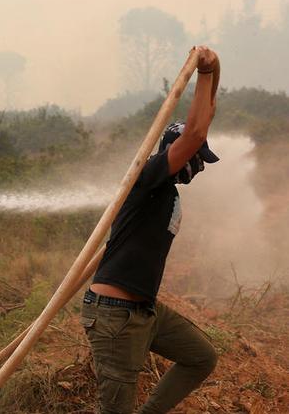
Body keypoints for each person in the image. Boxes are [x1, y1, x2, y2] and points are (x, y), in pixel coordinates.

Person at [81, 46, 221, 414]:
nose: (198, 165)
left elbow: (201, 125)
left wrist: (212, 78)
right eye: (196, 157)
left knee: (201, 357)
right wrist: (203, 74)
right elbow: (193, 133)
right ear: (175, 151)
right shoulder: (150, 175)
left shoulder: (167, 188)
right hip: (114, 315)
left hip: (144, 310)